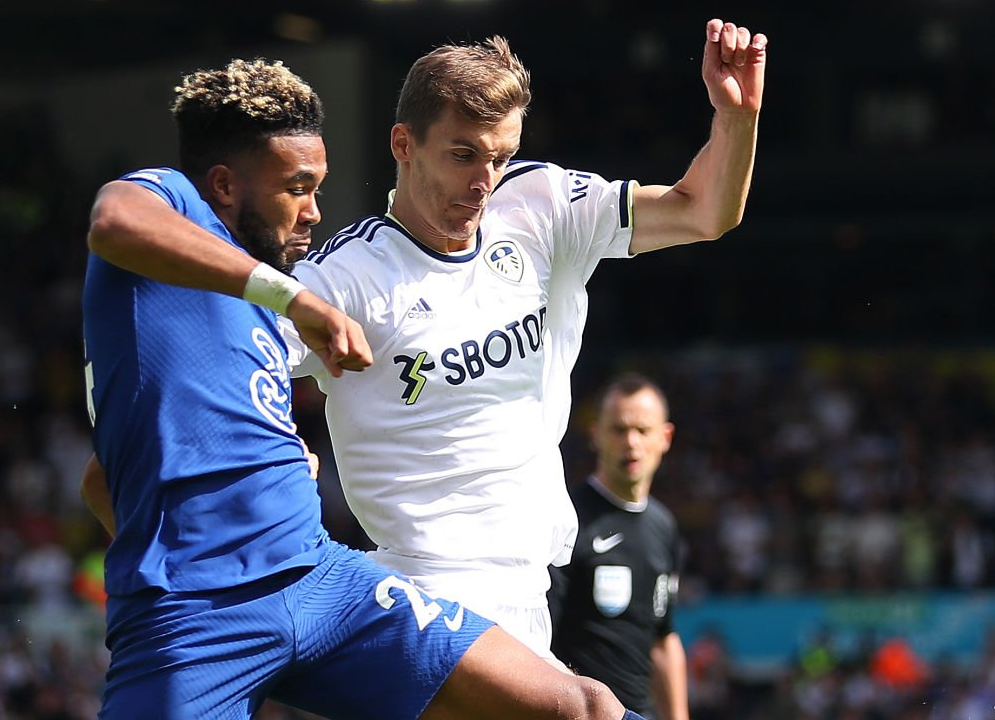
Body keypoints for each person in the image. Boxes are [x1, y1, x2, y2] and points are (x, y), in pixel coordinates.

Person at [79, 57, 643, 720]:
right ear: (227, 185)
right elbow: (112, 222)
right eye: (298, 186)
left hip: (320, 580)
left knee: (584, 707)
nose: (316, 210)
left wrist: (273, 483)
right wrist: (191, 564)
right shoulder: (171, 211)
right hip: (196, 619)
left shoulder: (252, 305)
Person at [284, 18, 766, 660]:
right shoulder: (349, 278)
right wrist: (274, 456)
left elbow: (704, 212)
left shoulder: (538, 209)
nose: (483, 183)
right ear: (403, 143)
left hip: (530, 588)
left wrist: (737, 118)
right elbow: (223, 362)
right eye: (462, 155)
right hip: (426, 594)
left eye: (499, 157)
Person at [548, 374, 687, 720]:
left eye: (642, 430)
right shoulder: (567, 518)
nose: (631, 442)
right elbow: (538, 639)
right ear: (595, 435)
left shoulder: (663, 527)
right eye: (618, 429)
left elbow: (662, 640)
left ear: (665, 437)